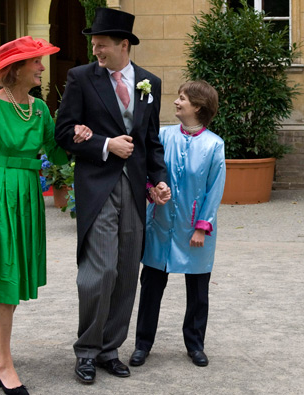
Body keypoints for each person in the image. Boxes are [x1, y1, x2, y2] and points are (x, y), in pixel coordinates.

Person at [0, 36, 88, 395]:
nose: (42, 67)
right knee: (5, 278)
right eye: (35, 62)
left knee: (13, 277)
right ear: (17, 68)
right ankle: (5, 364)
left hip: (27, 197)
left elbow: (56, 153)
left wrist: (79, 137)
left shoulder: (39, 109)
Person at [55, 7, 170, 385]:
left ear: (124, 45)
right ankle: (86, 351)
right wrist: (106, 145)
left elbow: (151, 142)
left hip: (135, 191)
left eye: (102, 45)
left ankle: (109, 350)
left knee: (125, 273)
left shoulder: (149, 83)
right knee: (99, 271)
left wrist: (159, 180)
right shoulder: (81, 79)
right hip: (98, 187)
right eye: (94, 44)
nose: (96, 52)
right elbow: (64, 132)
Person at [129, 80, 226, 368]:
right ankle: (142, 345)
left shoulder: (214, 145)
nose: (176, 102)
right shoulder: (162, 135)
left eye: (182, 98)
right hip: (160, 224)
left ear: (197, 106)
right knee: (151, 286)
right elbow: (148, 170)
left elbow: (214, 189)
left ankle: (195, 345)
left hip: (194, 229)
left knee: (198, 290)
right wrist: (151, 190)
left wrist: (201, 227)